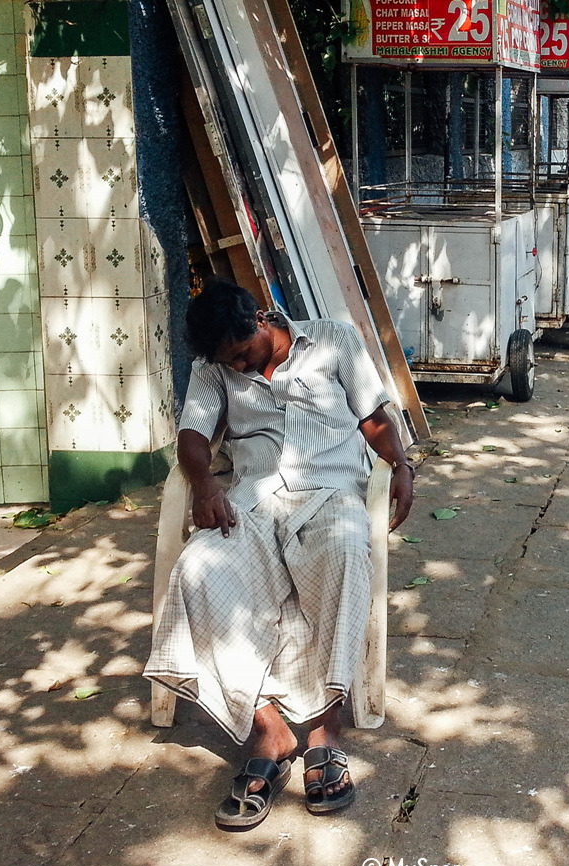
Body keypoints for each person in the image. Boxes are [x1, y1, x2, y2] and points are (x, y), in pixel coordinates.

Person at [144, 280, 414, 829]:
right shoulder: (214, 367)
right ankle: (268, 729)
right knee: (197, 569)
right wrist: (204, 485)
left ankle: (325, 731)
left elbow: (374, 417)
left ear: (260, 320)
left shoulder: (333, 340)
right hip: (254, 497)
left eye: (242, 353)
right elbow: (194, 436)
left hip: (332, 491)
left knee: (346, 552)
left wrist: (402, 464)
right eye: (229, 362)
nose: (238, 366)